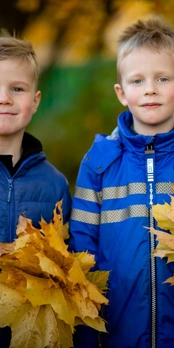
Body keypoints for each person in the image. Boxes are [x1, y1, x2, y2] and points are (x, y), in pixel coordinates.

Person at [69, 17, 174, 348]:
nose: (150, 89)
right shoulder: (99, 162)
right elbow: (81, 254)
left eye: (162, 78)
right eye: (138, 80)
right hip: (117, 333)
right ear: (121, 93)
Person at [0, 31, 72, 346]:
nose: (4, 98)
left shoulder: (55, 184)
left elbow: (67, 271)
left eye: (17, 89)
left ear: (35, 101)